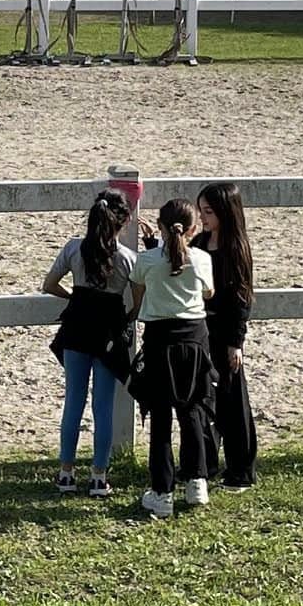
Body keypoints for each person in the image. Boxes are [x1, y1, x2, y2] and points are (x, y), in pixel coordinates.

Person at [125, 197, 216, 520]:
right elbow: (208, 293)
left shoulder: (147, 260)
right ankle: (197, 481)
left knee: (161, 417)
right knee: (193, 410)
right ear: (193, 229)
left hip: (160, 341)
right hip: (194, 340)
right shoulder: (202, 259)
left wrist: (154, 247)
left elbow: (138, 293)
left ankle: (162, 491)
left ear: (161, 227)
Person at [43, 189, 136, 496]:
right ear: (124, 221)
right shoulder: (126, 259)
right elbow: (138, 299)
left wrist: (75, 298)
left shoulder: (74, 249)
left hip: (77, 327)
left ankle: (66, 473)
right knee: (103, 406)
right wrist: (129, 316)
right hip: (107, 332)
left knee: (73, 401)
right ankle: (98, 475)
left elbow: (50, 284)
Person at [195, 181, 258, 491]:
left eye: (208, 212)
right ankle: (204, 465)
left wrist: (236, 342)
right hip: (201, 331)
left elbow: (241, 300)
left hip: (225, 334)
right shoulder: (200, 242)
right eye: (201, 211)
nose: (203, 217)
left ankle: (241, 470)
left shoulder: (236, 248)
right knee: (204, 401)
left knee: (233, 403)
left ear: (223, 212)